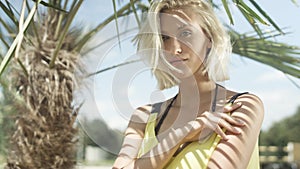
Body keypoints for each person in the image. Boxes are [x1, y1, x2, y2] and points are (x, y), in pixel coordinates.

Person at [113, 0, 264, 168]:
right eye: (165, 38)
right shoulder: (144, 116)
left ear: (209, 38)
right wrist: (180, 135)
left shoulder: (243, 106)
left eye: (185, 33)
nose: (173, 49)